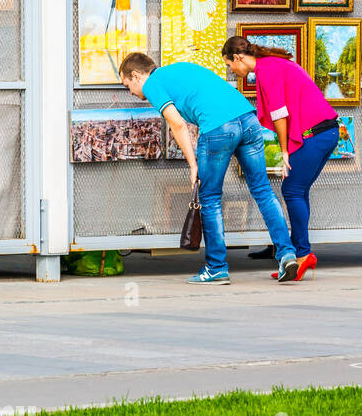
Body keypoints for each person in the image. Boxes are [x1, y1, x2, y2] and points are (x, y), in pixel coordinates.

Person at [118, 52, 299, 285]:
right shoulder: (178, 69)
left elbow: (177, 124)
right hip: (248, 119)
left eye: (127, 85)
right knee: (263, 190)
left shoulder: (152, 83)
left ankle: (216, 267)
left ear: (136, 75)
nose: (131, 92)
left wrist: (192, 164)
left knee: (210, 197)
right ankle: (286, 254)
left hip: (218, 127)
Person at [222, 35, 340, 281]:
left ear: (237, 57)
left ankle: (302, 254)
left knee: (292, 190)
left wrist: (284, 150)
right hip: (326, 132)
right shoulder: (271, 63)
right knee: (298, 190)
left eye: (229, 65)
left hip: (315, 135)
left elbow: (279, 113)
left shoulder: (266, 69)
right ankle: (301, 253)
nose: (232, 71)